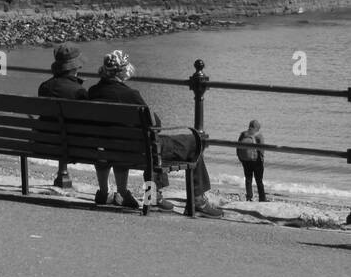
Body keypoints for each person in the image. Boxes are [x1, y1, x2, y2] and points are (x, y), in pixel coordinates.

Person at [86, 50, 223, 217]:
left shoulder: (92, 92)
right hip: (138, 150)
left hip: (113, 148)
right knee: (194, 142)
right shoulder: (130, 95)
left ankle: (154, 198)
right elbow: (155, 124)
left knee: (151, 143)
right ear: (123, 72)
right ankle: (196, 200)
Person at [38, 44, 87, 192]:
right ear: (75, 67)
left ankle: (62, 173)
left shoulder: (44, 87)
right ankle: (63, 174)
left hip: (44, 141)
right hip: (73, 145)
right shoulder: (79, 91)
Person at [237, 119, 267, 202]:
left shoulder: (243, 134)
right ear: (257, 127)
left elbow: (237, 146)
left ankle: (249, 197)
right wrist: (262, 160)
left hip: (245, 160)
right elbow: (262, 149)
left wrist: (240, 158)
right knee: (259, 180)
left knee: (248, 179)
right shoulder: (259, 135)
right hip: (256, 161)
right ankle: (262, 198)